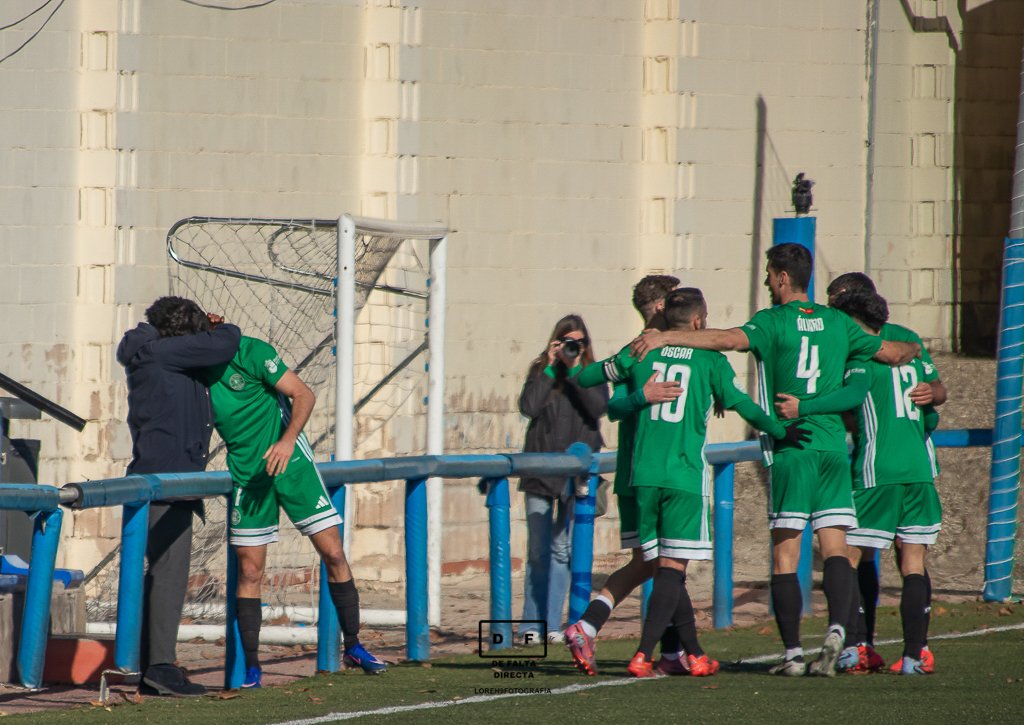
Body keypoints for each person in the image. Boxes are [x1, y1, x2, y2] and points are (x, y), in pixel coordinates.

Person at [630, 244, 920, 677]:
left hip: (791, 448)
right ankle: (839, 628)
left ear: (783, 277)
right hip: (831, 449)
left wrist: (667, 335)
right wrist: (917, 350)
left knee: (787, 554)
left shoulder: (771, 322)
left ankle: (791, 656)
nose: (767, 282)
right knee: (836, 546)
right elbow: (897, 352)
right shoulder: (839, 323)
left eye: (769, 274)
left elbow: (726, 339)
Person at [583, 288, 810, 677]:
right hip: (684, 475)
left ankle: (688, 653)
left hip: (643, 478)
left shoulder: (641, 351)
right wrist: (779, 431)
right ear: (700, 322)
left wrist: (631, 388)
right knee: (672, 569)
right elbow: (742, 404)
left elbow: (588, 377)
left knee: (660, 566)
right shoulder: (710, 360)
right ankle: (643, 654)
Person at [202, 331, 386, 687]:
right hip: (247, 474)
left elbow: (304, 393)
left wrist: (287, 442)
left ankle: (353, 646)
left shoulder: (251, 351)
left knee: (333, 552)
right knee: (250, 571)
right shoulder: (194, 369)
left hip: (292, 464)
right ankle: (253, 668)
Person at [776, 288, 942, 675]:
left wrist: (807, 408)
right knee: (913, 561)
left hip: (875, 471)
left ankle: (852, 646)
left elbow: (848, 402)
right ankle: (915, 656)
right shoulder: (911, 343)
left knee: (845, 555)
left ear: (852, 316)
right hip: (920, 469)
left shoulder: (861, 353)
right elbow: (932, 413)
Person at [563, 275, 687, 675]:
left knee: (654, 565)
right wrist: (642, 397)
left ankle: (596, 629)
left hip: (659, 475)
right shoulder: (638, 350)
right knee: (667, 564)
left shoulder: (678, 347)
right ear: (658, 307)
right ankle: (669, 652)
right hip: (647, 476)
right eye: (675, 302)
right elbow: (612, 405)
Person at [117, 296, 241, 697]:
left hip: (162, 479)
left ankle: (152, 664)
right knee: (168, 576)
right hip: (166, 482)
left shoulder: (149, 347)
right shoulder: (164, 354)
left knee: (160, 574)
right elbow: (226, 342)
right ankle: (160, 667)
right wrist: (217, 325)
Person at [518, 314, 609, 643]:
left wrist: (573, 371)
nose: (574, 348)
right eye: (567, 342)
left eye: (579, 343)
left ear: (586, 345)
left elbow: (599, 408)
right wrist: (550, 366)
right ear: (556, 342)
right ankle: (531, 627)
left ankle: (553, 625)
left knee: (560, 550)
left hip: (575, 476)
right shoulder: (542, 369)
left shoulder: (592, 374)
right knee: (538, 552)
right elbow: (528, 406)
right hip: (539, 472)